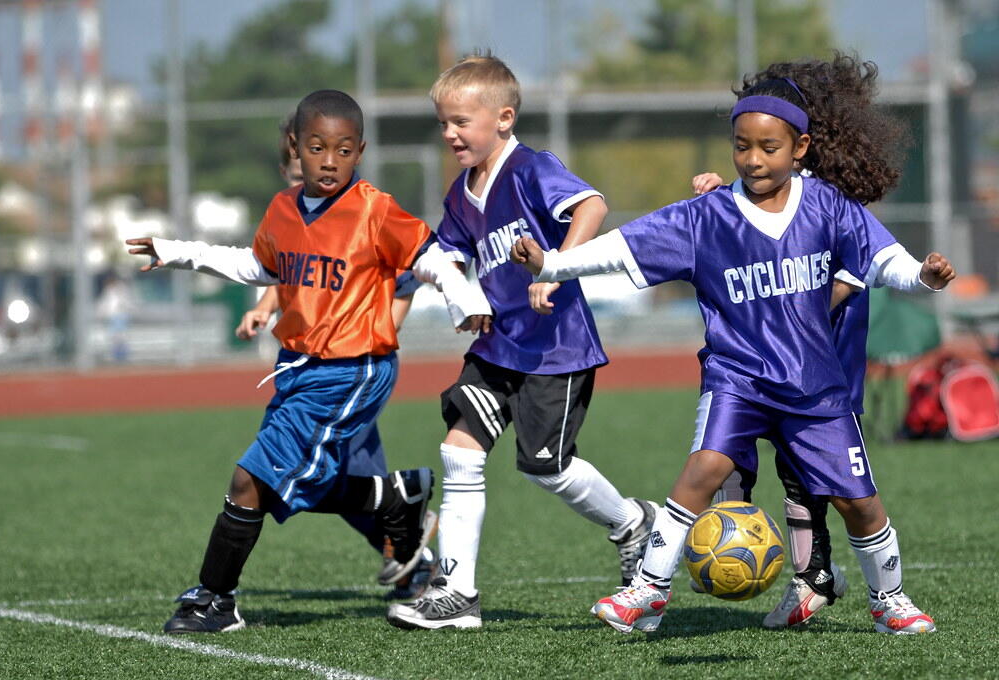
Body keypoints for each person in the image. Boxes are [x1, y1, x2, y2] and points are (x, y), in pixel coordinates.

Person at [512, 54, 955, 635]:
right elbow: (622, 248)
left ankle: (889, 600)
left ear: (799, 149)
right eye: (741, 146)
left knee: (859, 502)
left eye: (768, 148)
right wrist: (554, 262)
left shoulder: (828, 207)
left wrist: (922, 276)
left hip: (813, 384)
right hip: (737, 378)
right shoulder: (706, 217)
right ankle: (646, 591)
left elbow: (882, 259)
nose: (752, 159)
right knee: (703, 471)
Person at [126, 89, 489, 633]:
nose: (329, 160)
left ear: (360, 151)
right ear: (296, 147)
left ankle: (215, 600)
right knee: (297, 482)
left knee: (251, 478)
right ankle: (398, 495)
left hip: (352, 369)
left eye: (344, 150)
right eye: (317, 147)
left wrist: (464, 297)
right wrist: (178, 252)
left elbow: (429, 256)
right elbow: (257, 266)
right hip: (299, 368)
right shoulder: (282, 210)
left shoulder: (373, 208)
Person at [385, 53, 658, 631]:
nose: (450, 134)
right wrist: (458, 296)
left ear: (503, 118)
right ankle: (457, 593)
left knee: (546, 467)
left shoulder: (532, 168)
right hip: (496, 347)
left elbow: (592, 205)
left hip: (555, 349)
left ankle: (632, 522)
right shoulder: (462, 192)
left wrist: (553, 268)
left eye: (461, 121)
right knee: (459, 449)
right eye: (443, 123)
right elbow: (451, 257)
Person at [234, 113, 433, 600]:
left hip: (348, 368)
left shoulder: (362, 217)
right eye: (301, 171)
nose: (315, 177)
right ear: (289, 166)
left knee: (328, 480)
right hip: (310, 370)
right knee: (345, 485)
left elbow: (404, 281)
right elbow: (292, 280)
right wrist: (263, 307)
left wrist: (380, 329)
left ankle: (413, 544)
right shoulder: (292, 216)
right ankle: (413, 550)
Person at [693, 170, 863, 628]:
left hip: (820, 360)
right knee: (726, 456)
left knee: (802, 474)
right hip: (758, 360)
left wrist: (785, 316)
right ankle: (720, 542)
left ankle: (814, 575)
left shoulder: (833, 197)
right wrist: (720, 201)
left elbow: (851, 272)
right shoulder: (765, 183)